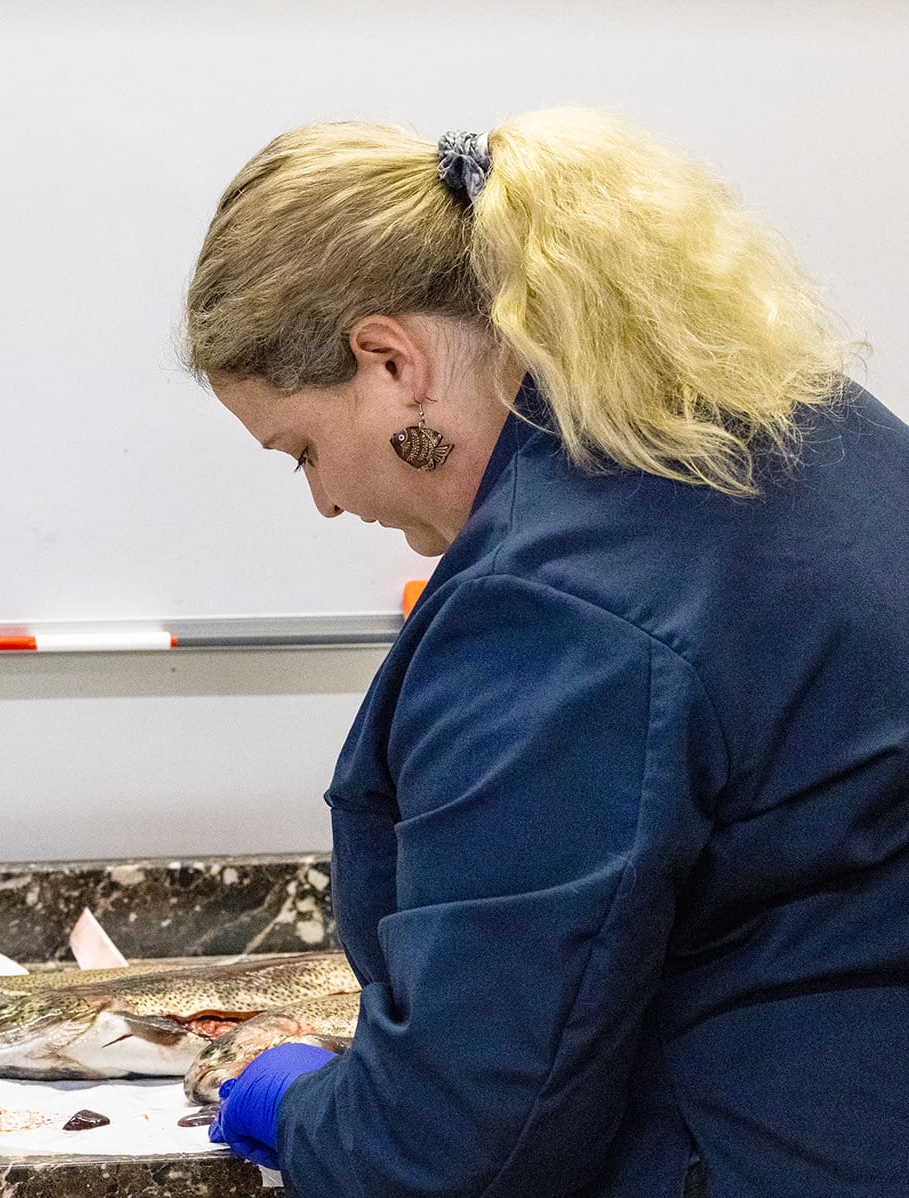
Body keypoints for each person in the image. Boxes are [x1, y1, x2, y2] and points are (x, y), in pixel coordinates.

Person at [184, 109, 909, 1195]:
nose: (330, 501)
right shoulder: (819, 433)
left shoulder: (559, 611)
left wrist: (298, 1105)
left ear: (390, 362)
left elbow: (462, 1149)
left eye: (303, 452)